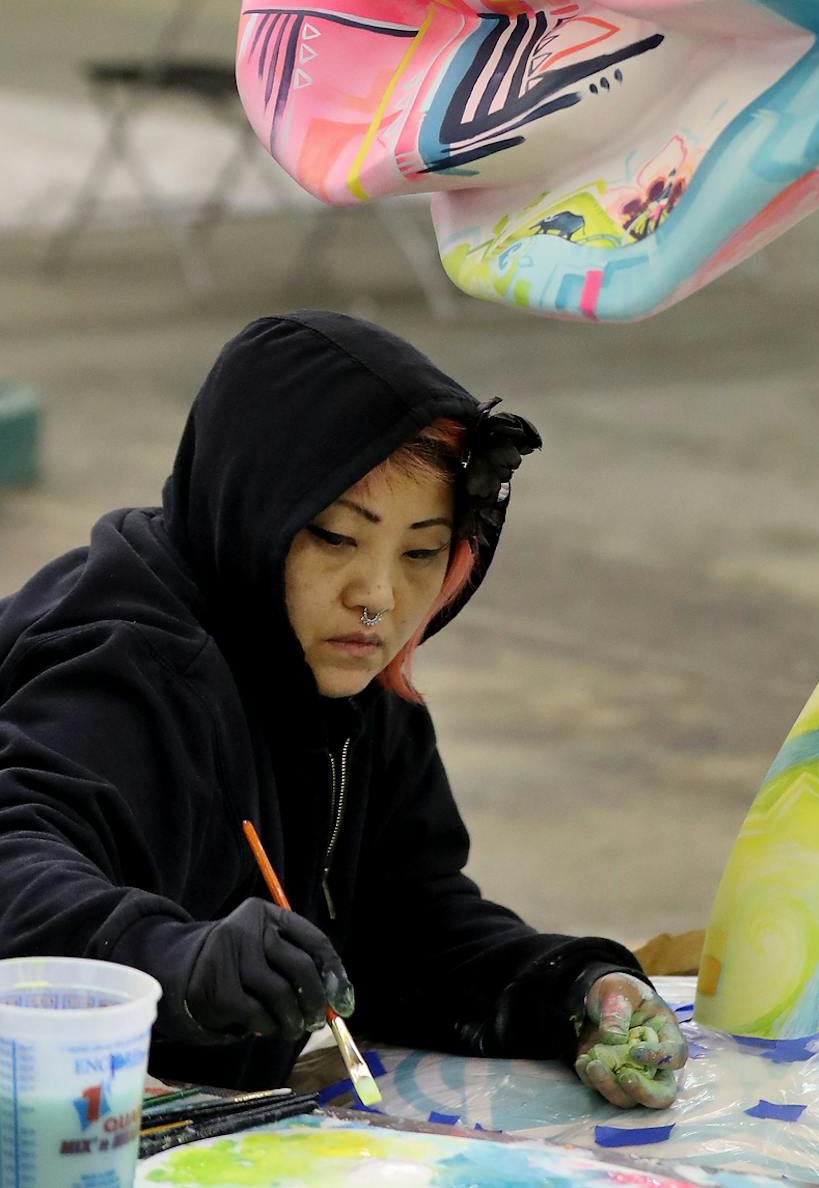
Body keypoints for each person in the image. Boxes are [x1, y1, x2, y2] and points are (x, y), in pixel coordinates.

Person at [0, 311, 686, 1109]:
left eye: (422, 551)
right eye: (333, 538)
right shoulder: (128, 667)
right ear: (252, 508)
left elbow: (404, 927)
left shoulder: (349, 686)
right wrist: (178, 962)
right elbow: (15, 858)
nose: (378, 598)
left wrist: (572, 989)